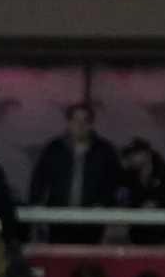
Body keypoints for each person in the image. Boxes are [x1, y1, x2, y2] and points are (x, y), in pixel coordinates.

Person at [28, 103, 118, 243]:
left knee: (88, 261)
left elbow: (112, 182)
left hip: (92, 221)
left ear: (91, 124)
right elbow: (39, 179)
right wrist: (37, 207)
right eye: (76, 120)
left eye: (85, 121)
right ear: (69, 123)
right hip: (58, 219)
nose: (80, 125)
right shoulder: (54, 148)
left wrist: (103, 204)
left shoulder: (104, 150)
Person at [118, 138, 165, 245]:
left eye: (135, 154)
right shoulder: (128, 176)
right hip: (138, 236)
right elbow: (124, 200)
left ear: (147, 153)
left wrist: (157, 204)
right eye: (129, 155)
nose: (131, 158)